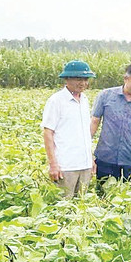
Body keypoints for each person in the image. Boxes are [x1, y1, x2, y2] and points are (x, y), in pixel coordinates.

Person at [42, 60, 96, 196]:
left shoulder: (84, 100)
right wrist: (53, 164)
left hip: (84, 165)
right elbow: (48, 133)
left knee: (81, 207)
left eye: (85, 79)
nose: (83, 83)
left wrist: (91, 158)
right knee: (63, 206)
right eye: (78, 79)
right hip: (66, 165)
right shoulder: (56, 101)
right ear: (66, 79)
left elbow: (84, 132)